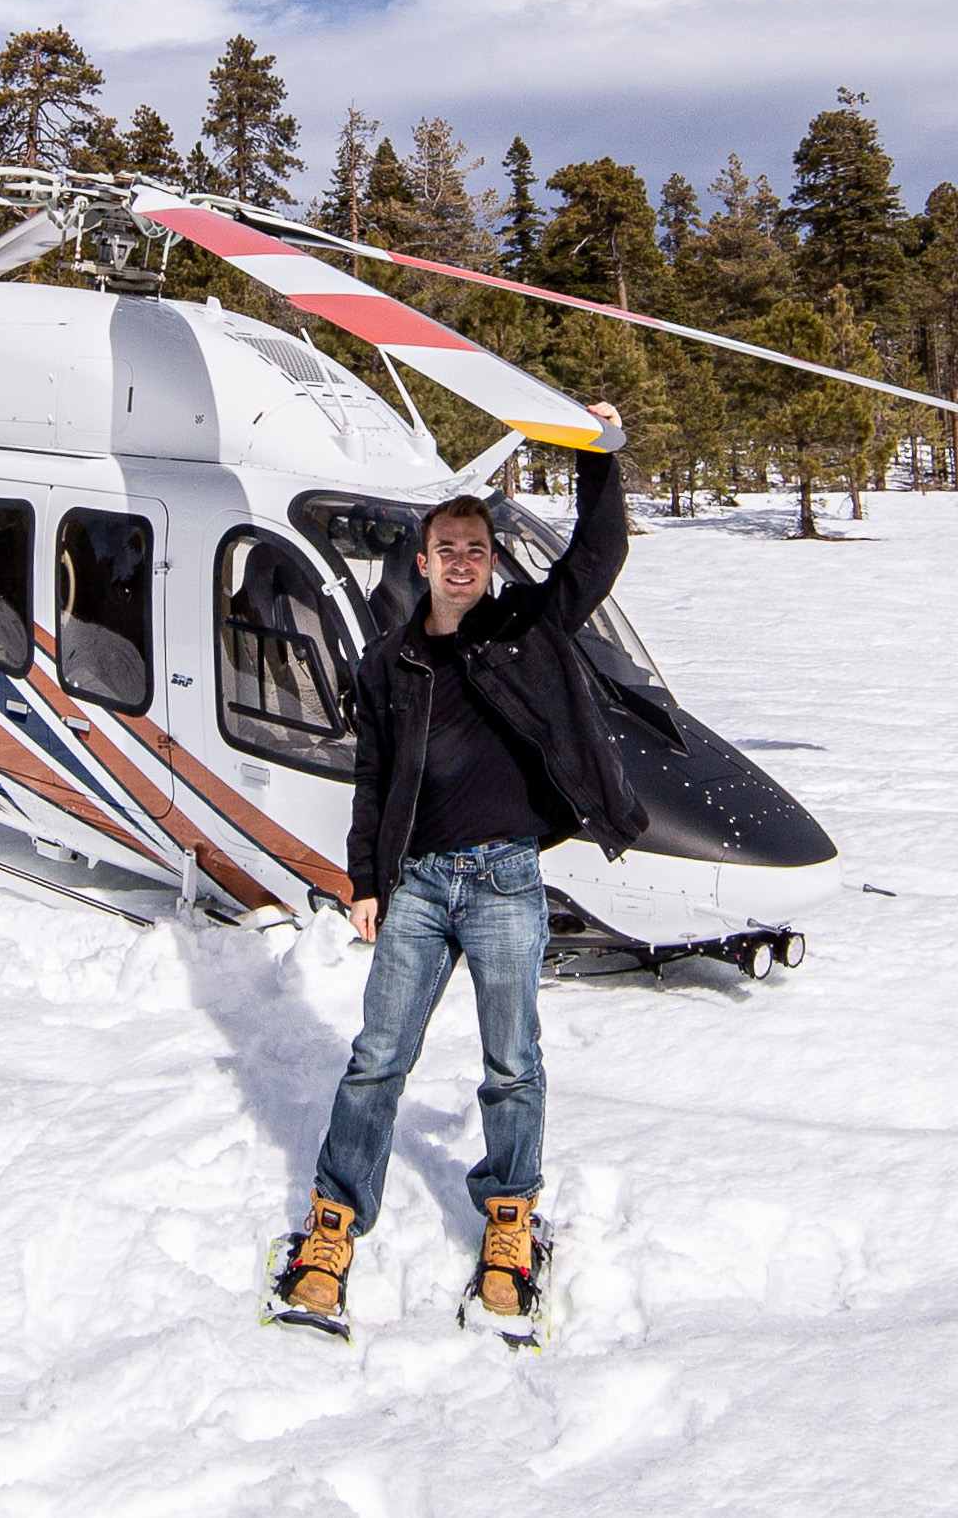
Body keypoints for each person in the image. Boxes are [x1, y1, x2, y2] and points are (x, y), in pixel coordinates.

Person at [274, 402, 648, 1328]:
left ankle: (510, 1215)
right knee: (376, 1060)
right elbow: (371, 775)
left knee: (511, 1063)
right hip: (418, 885)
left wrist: (598, 456)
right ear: (422, 560)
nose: (462, 560)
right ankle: (333, 1221)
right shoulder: (389, 661)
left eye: (476, 548)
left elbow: (596, 559)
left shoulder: (526, 627)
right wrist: (364, 879)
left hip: (504, 881)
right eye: (447, 547)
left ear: (490, 561)